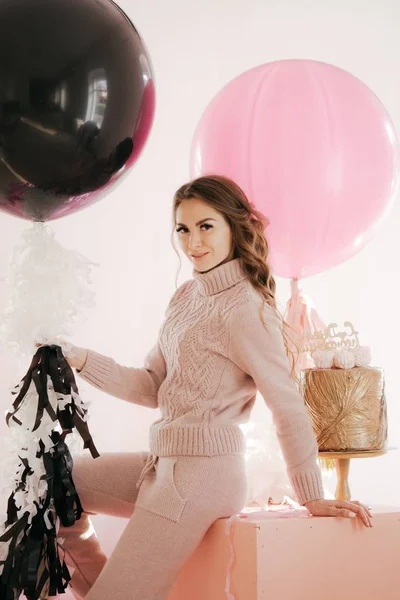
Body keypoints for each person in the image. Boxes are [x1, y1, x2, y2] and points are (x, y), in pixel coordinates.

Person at [58, 175, 373, 600]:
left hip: (204, 475)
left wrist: (311, 495)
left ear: (234, 226)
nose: (193, 242)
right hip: (164, 462)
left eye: (206, 226)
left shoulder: (247, 309)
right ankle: (103, 589)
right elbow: (153, 386)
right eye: (183, 229)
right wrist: (79, 358)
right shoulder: (187, 297)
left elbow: (287, 405)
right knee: (55, 484)